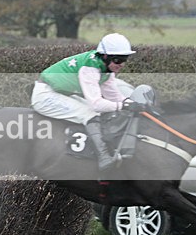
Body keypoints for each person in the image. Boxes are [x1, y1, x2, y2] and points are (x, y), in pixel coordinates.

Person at [31, 33, 142, 172]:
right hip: (45, 96)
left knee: (99, 111)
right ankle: (103, 157)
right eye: (118, 60)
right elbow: (96, 103)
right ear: (105, 56)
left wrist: (132, 103)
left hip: (60, 92)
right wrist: (122, 106)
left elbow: (114, 96)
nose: (122, 64)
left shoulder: (106, 69)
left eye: (125, 59)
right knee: (89, 113)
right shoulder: (90, 69)